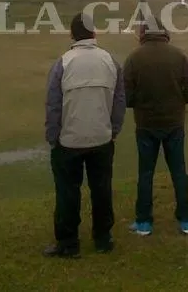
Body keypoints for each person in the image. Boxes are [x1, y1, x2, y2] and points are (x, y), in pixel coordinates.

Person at [43, 13, 126, 258]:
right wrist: (114, 130)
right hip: (102, 137)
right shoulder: (111, 61)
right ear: (94, 33)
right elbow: (119, 101)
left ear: (72, 34)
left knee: (68, 191)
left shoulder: (63, 63)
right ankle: (103, 238)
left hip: (69, 140)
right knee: (101, 189)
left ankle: (68, 243)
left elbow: (53, 104)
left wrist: (52, 136)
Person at [123, 18, 188, 236]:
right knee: (179, 172)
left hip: (146, 125)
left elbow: (124, 95)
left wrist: (138, 103)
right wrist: (179, 101)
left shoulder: (134, 58)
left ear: (143, 34)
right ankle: (186, 221)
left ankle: (143, 223)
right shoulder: (178, 56)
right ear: (164, 32)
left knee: (146, 174)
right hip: (174, 124)